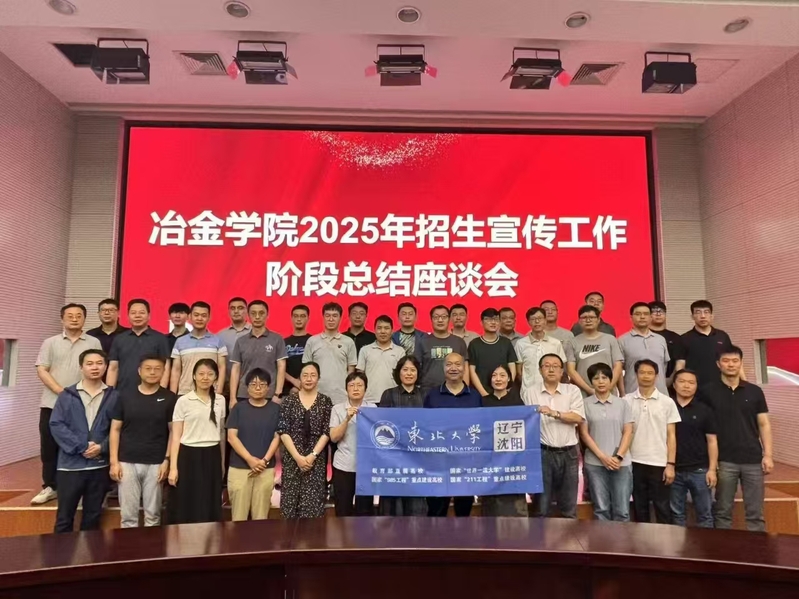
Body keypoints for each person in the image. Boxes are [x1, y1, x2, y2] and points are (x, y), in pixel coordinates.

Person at [33, 303, 102, 505]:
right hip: (52, 403)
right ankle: (50, 486)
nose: (74, 319)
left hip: (84, 404)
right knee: (49, 446)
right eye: (70, 315)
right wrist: (61, 391)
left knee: (80, 444)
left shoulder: (93, 342)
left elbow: (98, 368)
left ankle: (78, 487)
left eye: (78, 315)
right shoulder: (50, 342)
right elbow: (42, 369)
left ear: (84, 319)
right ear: (62, 319)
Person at [702, 346, 771, 532]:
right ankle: (724, 549)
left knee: (755, 513)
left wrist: (768, 455)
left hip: (753, 459)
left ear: (741, 363)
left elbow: (764, 424)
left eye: (735, 361)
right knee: (722, 510)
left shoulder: (754, 391)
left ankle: (757, 549)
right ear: (718, 364)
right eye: (726, 361)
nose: (730, 365)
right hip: (724, 460)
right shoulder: (707, 392)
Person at [49, 349, 117, 533]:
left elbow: (118, 428)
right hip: (70, 467)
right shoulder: (67, 395)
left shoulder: (114, 396)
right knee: (64, 518)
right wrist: (81, 446)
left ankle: (89, 553)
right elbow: (56, 424)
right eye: (89, 363)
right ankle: (61, 553)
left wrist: (102, 447)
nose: (95, 367)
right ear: (81, 367)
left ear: (106, 367)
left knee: (93, 519)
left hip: (99, 466)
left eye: (99, 363)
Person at [109, 355, 176, 528]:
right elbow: (115, 429)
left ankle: (152, 546)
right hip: (126, 461)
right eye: (148, 368)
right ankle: (129, 546)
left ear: (163, 372)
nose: (152, 372)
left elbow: (173, 432)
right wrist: (114, 462)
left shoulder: (170, 398)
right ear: (139, 371)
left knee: (153, 516)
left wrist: (167, 460)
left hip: (156, 462)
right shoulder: (124, 396)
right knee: (128, 517)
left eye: (157, 369)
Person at [524, 354, 585, 519]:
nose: (551, 369)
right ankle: (539, 536)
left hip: (569, 453)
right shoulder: (530, 392)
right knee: (541, 507)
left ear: (561, 371)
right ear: (540, 370)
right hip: (543, 453)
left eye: (555, 366)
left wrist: (555, 413)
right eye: (546, 366)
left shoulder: (572, 390)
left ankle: (568, 536)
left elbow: (578, 417)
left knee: (569, 507)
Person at [167, 359, 226, 524]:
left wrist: (221, 463)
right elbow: (176, 436)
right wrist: (173, 468)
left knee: (209, 499)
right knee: (187, 500)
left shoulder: (221, 400)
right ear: (194, 376)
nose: (205, 378)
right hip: (188, 455)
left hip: (212, 455)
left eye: (210, 374)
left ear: (216, 377)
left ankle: (209, 538)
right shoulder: (183, 401)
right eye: (201, 374)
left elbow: (221, 433)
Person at [424, 352, 481, 517]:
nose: (453, 368)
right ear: (444, 368)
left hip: (466, 464)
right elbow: (425, 426)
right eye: (449, 364)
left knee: (463, 512)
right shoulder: (433, 395)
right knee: (436, 512)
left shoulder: (474, 396)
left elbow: (480, 428)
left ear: (464, 368)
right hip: (438, 464)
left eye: (458, 364)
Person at [625, 359, 680, 524]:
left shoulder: (667, 402)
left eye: (650, 373)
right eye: (642, 372)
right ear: (636, 375)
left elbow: (671, 435)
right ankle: (641, 540)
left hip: (659, 462)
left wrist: (670, 464)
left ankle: (665, 540)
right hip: (634, 461)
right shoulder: (626, 401)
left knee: (662, 507)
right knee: (639, 507)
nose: (646, 376)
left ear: (656, 376)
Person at [579, 363, 634, 522]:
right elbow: (584, 433)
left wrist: (619, 456)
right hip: (595, 463)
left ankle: (621, 539)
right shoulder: (584, 404)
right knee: (601, 509)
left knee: (622, 510)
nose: (601, 381)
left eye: (604, 377)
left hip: (621, 463)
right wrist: (602, 457)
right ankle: (603, 539)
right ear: (591, 382)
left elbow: (628, 431)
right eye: (596, 378)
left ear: (611, 380)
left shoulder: (622, 403)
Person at [277, 362, 332, 518]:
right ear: (299, 378)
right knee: (289, 507)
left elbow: (326, 432)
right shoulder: (289, 401)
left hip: (315, 460)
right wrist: (297, 457)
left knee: (313, 509)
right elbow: (283, 431)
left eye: (313, 375)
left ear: (318, 378)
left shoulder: (325, 401)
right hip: (292, 458)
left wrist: (312, 456)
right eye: (305, 375)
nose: (309, 379)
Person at [226, 368, 281, 521]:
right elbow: (231, 437)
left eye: (262, 384)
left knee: (261, 518)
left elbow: (277, 437)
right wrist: (250, 459)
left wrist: (264, 461)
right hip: (239, 468)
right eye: (253, 384)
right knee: (238, 518)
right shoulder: (238, 408)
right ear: (247, 387)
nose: (258, 388)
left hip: (265, 469)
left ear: (268, 387)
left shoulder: (276, 409)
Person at [378, 356, 427, 516]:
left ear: (418, 373)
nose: (409, 373)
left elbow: (430, 425)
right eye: (405, 370)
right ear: (398, 373)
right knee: (393, 504)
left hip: (418, 458)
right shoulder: (388, 394)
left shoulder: (425, 395)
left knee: (416, 503)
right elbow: (382, 425)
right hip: (394, 458)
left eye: (413, 370)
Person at [671, 369, 717, 528]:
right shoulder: (667, 407)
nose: (686, 386)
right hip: (674, 470)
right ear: (674, 385)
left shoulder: (705, 410)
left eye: (691, 383)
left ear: (696, 386)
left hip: (700, 470)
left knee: (705, 515)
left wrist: (712, 469)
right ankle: (678, 545)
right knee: (677, 515)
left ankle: (706, 545)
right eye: (682, 381)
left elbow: (712, 441)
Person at [480, 364, 528, 517]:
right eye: (494, 375)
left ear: (509, 379)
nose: (498, 379)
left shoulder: (517, 401)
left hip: (512, 459)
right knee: (491, 501)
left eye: (502, 375)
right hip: (489, 459)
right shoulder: (483, 402)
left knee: (513, 499)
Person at [330, 371, 377, 517]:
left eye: (359, 385)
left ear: (365, 388)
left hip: (366, 469)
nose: (355, 388)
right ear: (346, 389)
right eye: (351, 385)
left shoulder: (373, 409)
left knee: (365, 512)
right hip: (343, 466)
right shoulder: (337, 409)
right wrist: (347, 418)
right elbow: (334, 437)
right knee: (343, 511)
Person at [229, 300, 287, 407]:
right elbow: (235, 369)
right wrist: (232, 398)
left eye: (261, 313)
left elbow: (281, 367)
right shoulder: (241, 341)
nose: (257, 317)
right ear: (248, 315)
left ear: (267, 315)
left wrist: (277, 394)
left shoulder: (277, 339)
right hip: (244, 394)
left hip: (269, 395)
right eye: (253, 313)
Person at [107, 299, 170, 395]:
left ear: (149, 316)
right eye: (133, 313)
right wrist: (109, 393)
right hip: (123, 392)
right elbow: (113, 368)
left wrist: (161, 392)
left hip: (152, 392)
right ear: (128, 316)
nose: (137, 316)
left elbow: (166, 367)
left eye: (141, 313)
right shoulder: (119, 339)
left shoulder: (160, 338)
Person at [302, 302, 357, 406]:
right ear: (323, 317)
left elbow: (351, 371)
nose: (331, 319)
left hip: (341, 397)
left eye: (335, 316)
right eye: (327, 316)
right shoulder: (312, 341)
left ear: (340, 318)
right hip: (316, 395)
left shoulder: (348, 342)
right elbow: (306, 370)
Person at [170, 301, 228, 396]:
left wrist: (219, 391)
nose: (199, 318)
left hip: (210, 393)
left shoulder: (218, 341)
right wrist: (172, 395)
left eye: (204, 315)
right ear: (190, 317)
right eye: (196, 315)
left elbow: (222, 367)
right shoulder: (180, 341)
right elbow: (176, 370)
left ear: (209, 318)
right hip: (185, 393)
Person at [566, 305, 624, 397]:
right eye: (584, 317)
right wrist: (590, 390)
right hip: (583, 394)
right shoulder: (572, 342)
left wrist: (608, 387)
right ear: (579, 321)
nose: (588, 320)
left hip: (609, 394)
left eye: (592, 317)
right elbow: (571, 370)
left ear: (598, 320)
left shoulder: (610, 339)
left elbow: (618, 366)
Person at [415, 305, 469, 396]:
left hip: (455, 391)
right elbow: (416, 367)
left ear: (449, 319)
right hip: (428, 391)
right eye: (436, 317)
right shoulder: (422, 342)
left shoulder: (459, 342)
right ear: (431, 319)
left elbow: (465, 368)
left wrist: (466, 391)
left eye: (444, 317)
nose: (440, 320)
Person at [618, 302, 670, 395]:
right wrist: (622, 394)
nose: (642, 317)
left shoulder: (660, 339)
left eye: (646, 314)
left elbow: (664, 367)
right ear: (631, 318)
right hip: (633, 394)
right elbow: (618, 371)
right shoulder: (622, 340)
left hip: (660, 394)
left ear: (650, 317)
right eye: (638, 314)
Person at [681, 300, 734, 387]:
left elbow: (733, 360)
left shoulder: (722, 336)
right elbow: (680, 366)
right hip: (695, 388)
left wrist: (743, 382)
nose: (703, 316)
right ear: (692, 316)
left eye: (706, 312)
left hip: (722, 386)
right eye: (698, 312)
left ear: (712, 316)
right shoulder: (684, 338)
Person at [515, 307, 566, 396]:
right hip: (528, 392)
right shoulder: (520, 344)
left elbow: (562, 368)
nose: (537, 321)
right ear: (528, 322)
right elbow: (519, 372)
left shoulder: (556, 343)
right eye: (533, 319)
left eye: (540, 318)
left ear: (545, 320)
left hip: (553, 392)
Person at [467, 308, 517, 397]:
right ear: (481, 323)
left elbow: (512, 366)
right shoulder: (474, 344)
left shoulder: (506, 342)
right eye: (488, 319)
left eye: (496, 319)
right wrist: (483, 393)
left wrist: (507, 387)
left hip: (504, 393)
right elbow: (472, 370)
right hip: (481, 393)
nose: (493, 322)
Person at [357, 315, 406, 403]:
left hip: (393, 399)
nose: (383, 331)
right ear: (374, 330)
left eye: (386, 328)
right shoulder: (365, 350)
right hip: (369, 399)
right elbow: (360, 376)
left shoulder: (400, 351)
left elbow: (403, 376)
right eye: (379, 328)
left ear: (392, 331)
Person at [649, 301, 685, 383]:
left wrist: (671, 380)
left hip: (671, 382)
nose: (658, 314)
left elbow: (679, 362)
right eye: (654, 311)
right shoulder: (643, 336)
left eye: (661, 311)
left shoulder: (676, 337)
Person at [284, 304, 311, 394]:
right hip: (287, 391)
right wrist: (294, 381)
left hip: (308, 390)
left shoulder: (313, 341)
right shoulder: (283, 342)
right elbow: (279, 367)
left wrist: (301, 382)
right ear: (291, 318)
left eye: (302, 316)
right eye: (296, 316)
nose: (299, 319)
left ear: (308, 318)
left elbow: (315, 365)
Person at [217, 297, 251, 365]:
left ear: (247, 311)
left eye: (240, 308)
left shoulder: (254, 332)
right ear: (229, 311)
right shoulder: (220, 335)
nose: (236, 311)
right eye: (232, 308)